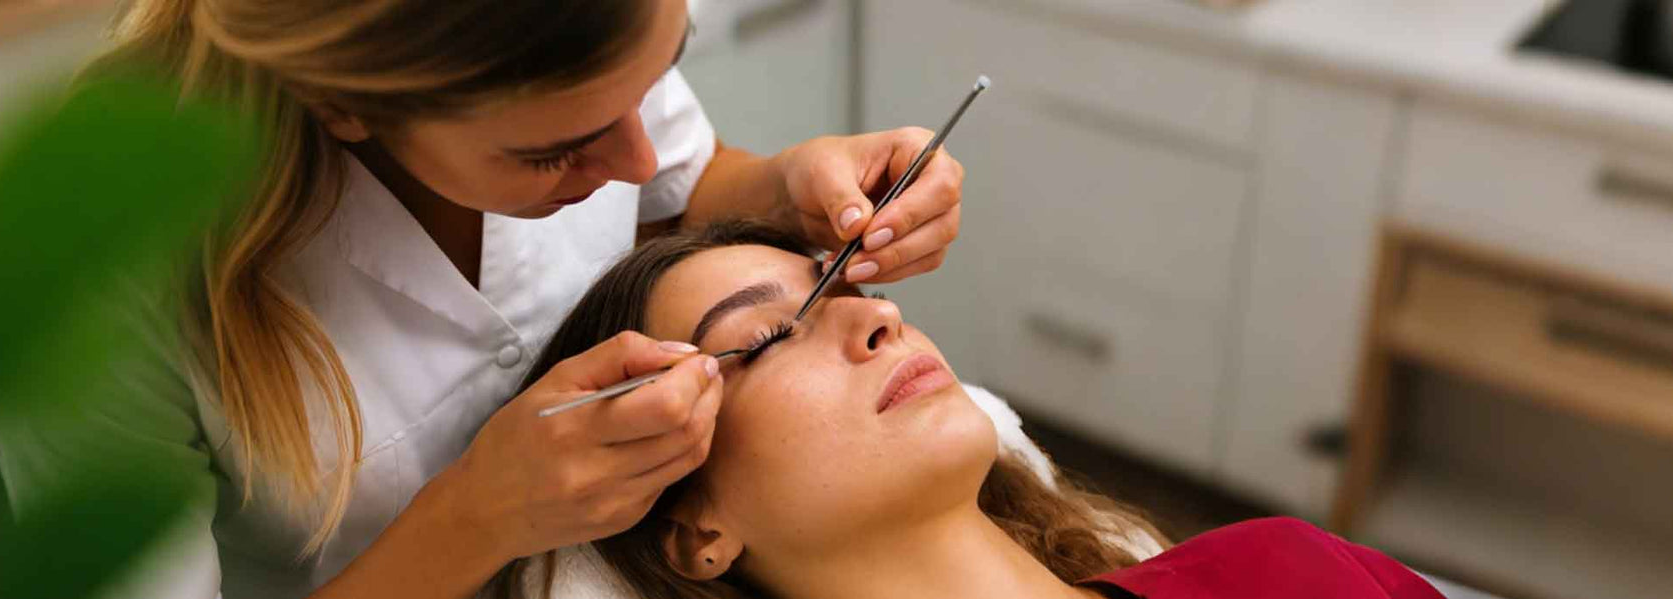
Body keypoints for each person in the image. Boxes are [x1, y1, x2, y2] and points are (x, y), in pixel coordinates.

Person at [0, 1, 967, 598]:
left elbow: (678, 180)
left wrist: (782, 186)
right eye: (554, 153)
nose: (633, 157)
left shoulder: (582, 50)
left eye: (657, 77)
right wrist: (479, 515)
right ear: (343, 104)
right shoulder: (93, 282)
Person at [507, 221, 1449, 599]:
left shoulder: (1282, 570)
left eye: (851, 289)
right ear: (696, 531)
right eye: (764, 338)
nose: (879, 317)